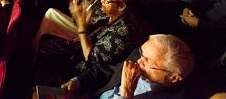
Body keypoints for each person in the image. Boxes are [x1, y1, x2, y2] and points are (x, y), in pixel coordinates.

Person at [61, 34, 197, 98]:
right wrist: (76, 82)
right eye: (141, 54)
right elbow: (106, 71)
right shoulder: (138, 58)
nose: (138, 62)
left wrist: (126, 93)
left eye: (148, 62)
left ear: (173, 77)